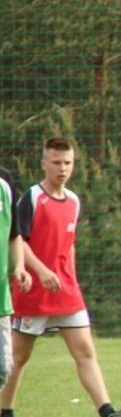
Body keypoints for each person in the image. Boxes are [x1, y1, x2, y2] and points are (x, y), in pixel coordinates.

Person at [0, 137, 121, 417]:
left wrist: (71, 279)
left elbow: (70, 245)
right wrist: (40, 271)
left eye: (67, 163)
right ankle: (5, 413)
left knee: (85, 351)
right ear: (44, 164)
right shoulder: (31, 198)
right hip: (34, 292)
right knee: (18, 357)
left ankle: (108, 414)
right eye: (56, 162)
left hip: (66, 292)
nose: (62, 168)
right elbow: (18, 239)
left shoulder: (75, 201)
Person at [0, 167, 33, 392]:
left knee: (4, 367)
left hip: (1, 296)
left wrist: (20, 265)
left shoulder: (5, 181)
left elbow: (14, 233)